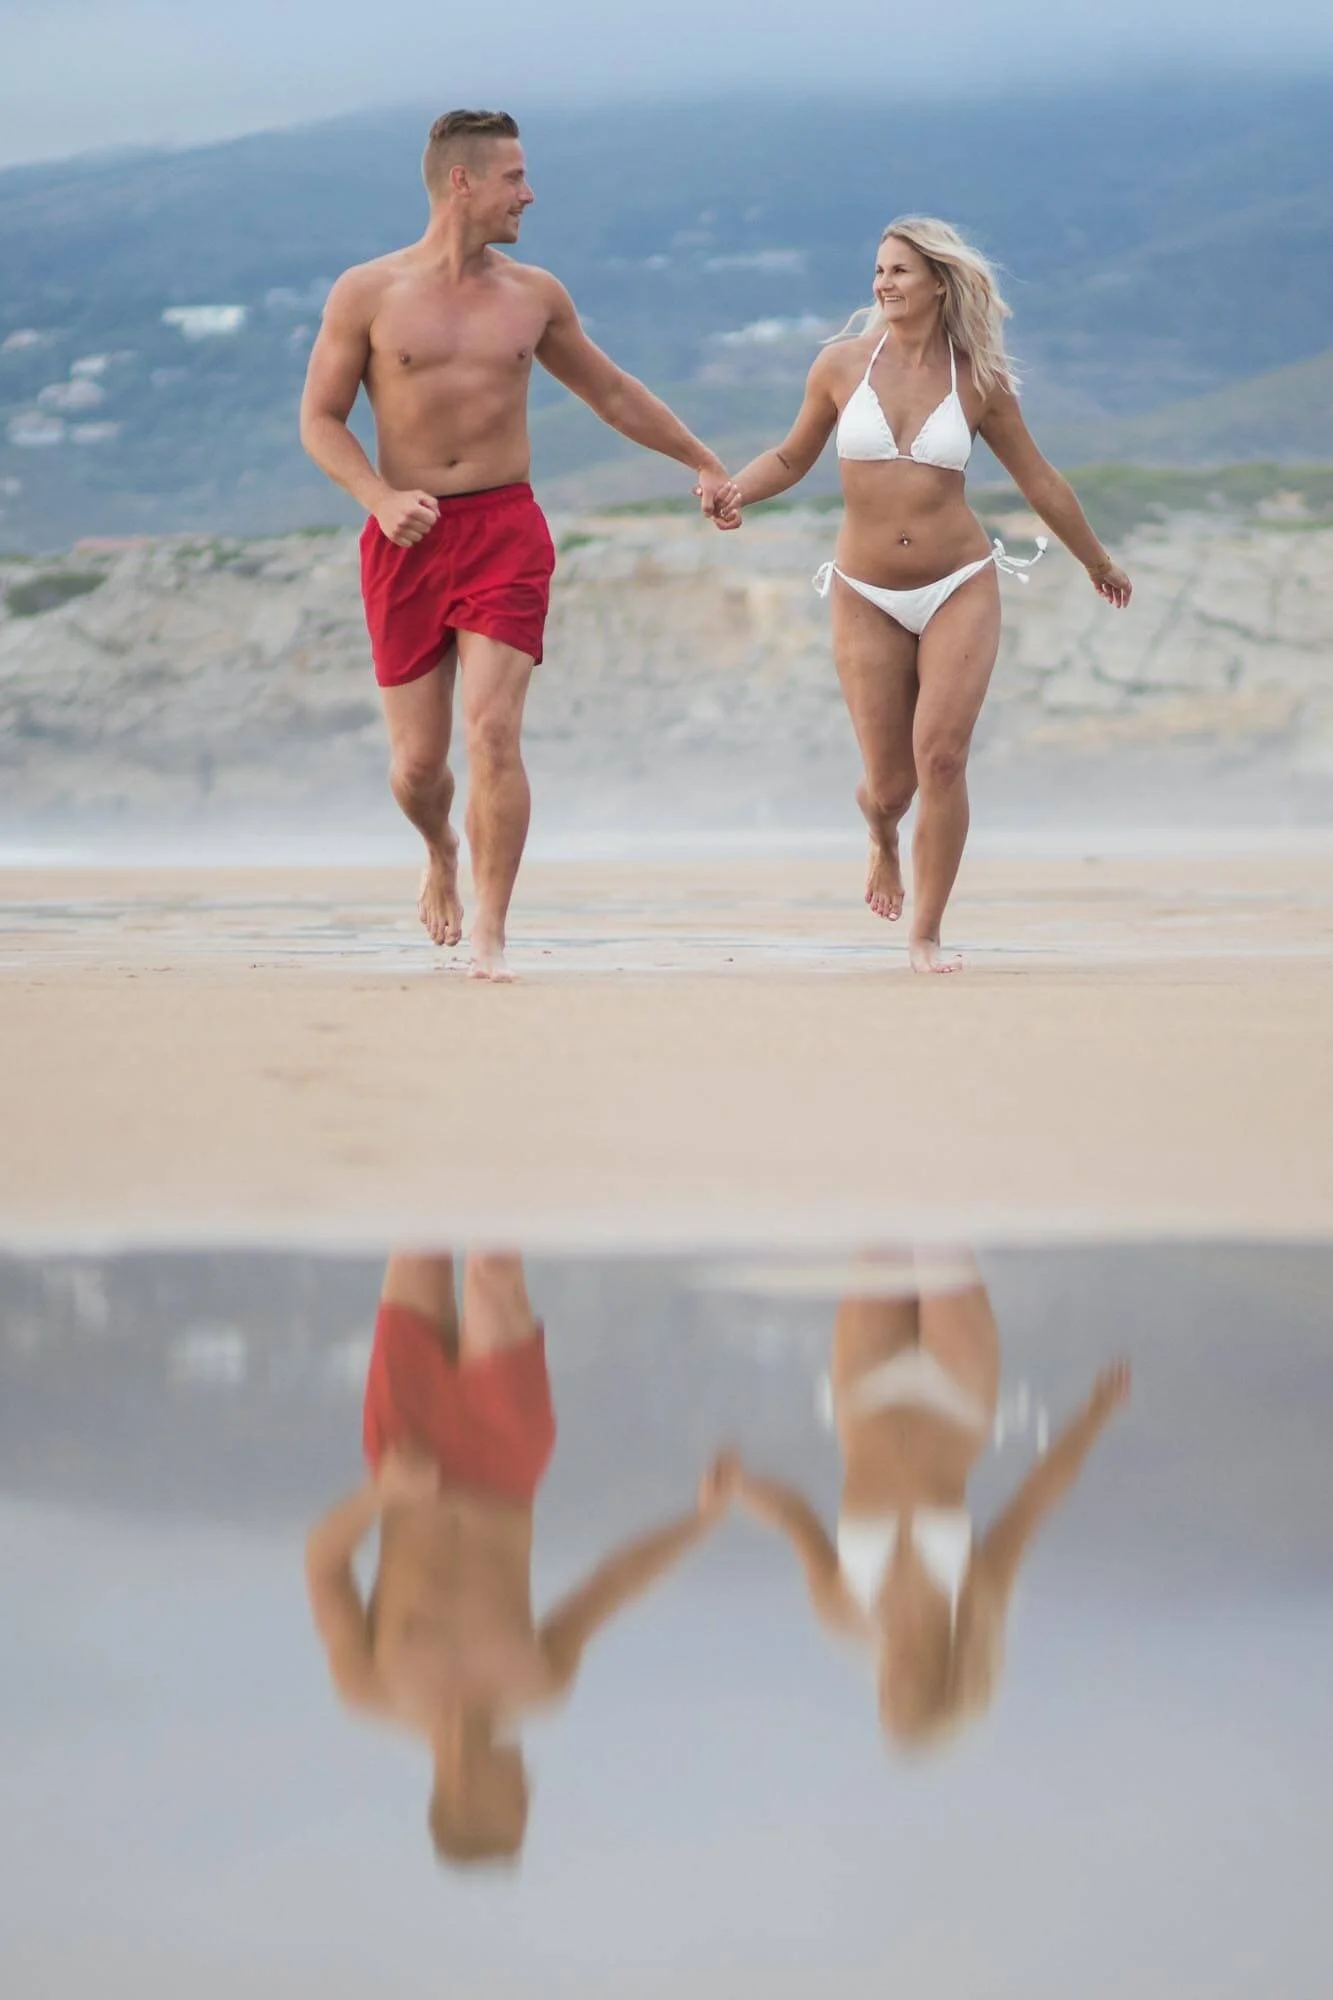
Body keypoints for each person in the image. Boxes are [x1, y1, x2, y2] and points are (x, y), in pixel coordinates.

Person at [300, 110, 733, 979]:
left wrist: (702, 459)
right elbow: (319, 419)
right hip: (406, 537)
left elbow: (610, 392)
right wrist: (378, 498)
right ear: (461, 181)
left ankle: (493, 933)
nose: (528, 194)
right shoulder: (367, 291)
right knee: (418, 769)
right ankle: (439, 852)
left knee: (492, 732)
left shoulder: (534, 295)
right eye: (513, 178)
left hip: (504, 529)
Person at [713, 217, 1133, 972]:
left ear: (938, 281)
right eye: (878, 271)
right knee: (890, 785)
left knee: (941, 760)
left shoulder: (979, 380)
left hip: (959, 582)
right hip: (864, 591)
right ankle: (880, 839)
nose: (882, 283)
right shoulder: (840, 366)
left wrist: (1095, 560)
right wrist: (735, 490)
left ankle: (926, 935)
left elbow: (1037, 478)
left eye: (899, 271)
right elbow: (790, 455)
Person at [304, 1249, 733, 1868]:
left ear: (466, 1796)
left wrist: (383, 1493)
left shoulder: (369, 1689)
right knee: (493, 1271)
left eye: (519, 1803)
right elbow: (610, 1588)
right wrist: (702, 1521)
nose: (530, 1787)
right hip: (505, 1458)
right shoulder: (538, 1685)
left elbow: (322, 1564)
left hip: (405, 1448)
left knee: (419, 1243)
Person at [718, 1251, 1131, 1749]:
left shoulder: (842, 1612)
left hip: (862, 1390)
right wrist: (1095, 1415)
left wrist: (740, 1488)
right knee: (940, 1240)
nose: (880, 1689)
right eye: (896, 1697)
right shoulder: (976, 1604)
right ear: (933, 1681)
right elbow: (1035, 1500)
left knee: (885, 1230)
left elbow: (795, 1518)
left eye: (882, 1701)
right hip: (958, 1395)